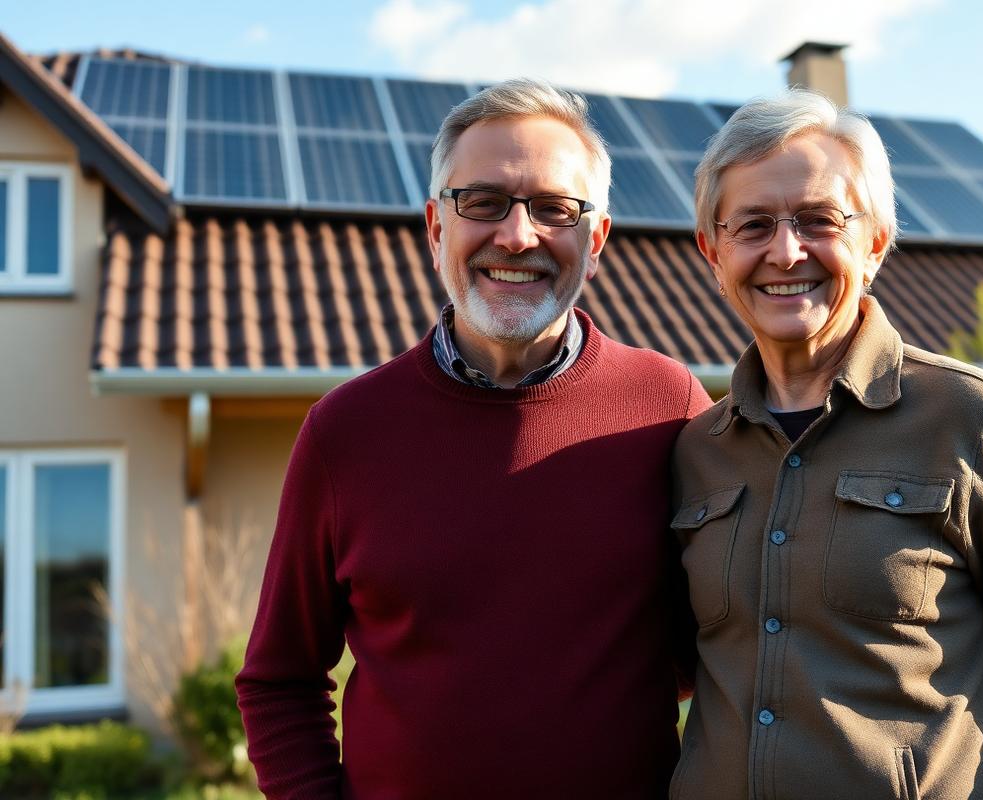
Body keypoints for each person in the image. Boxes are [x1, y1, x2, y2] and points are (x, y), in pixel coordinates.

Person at [235, 78, 710, 799]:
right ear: (435, 227)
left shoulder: (669, 407)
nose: (518, 236)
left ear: (598, 237)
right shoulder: (346, 432)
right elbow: (280, 680)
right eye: (482, 202)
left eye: (555, 208)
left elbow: (716, 648)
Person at [669, 89, 983, 799]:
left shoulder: (973, 420)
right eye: (754, 225)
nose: (785, 250)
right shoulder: (695, 451)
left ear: (875, 246)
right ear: (713, 250)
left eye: (818, 220)